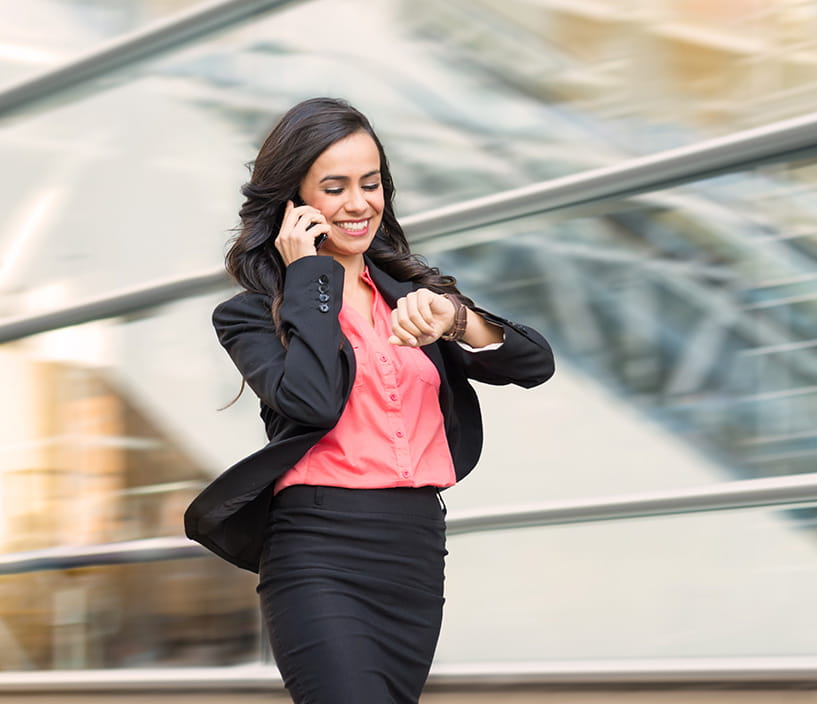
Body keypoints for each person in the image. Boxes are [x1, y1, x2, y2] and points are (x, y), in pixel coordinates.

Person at [183, 97, 554, 703]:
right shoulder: (250, 315)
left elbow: (536, 363)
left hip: (413, 548)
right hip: (317, 548)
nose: (359, 204)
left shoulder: (412, 297)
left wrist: (457, 322)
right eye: (334, 187)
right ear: (293, 204)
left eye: (371, 183)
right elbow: (311, 401)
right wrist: (308, 277)